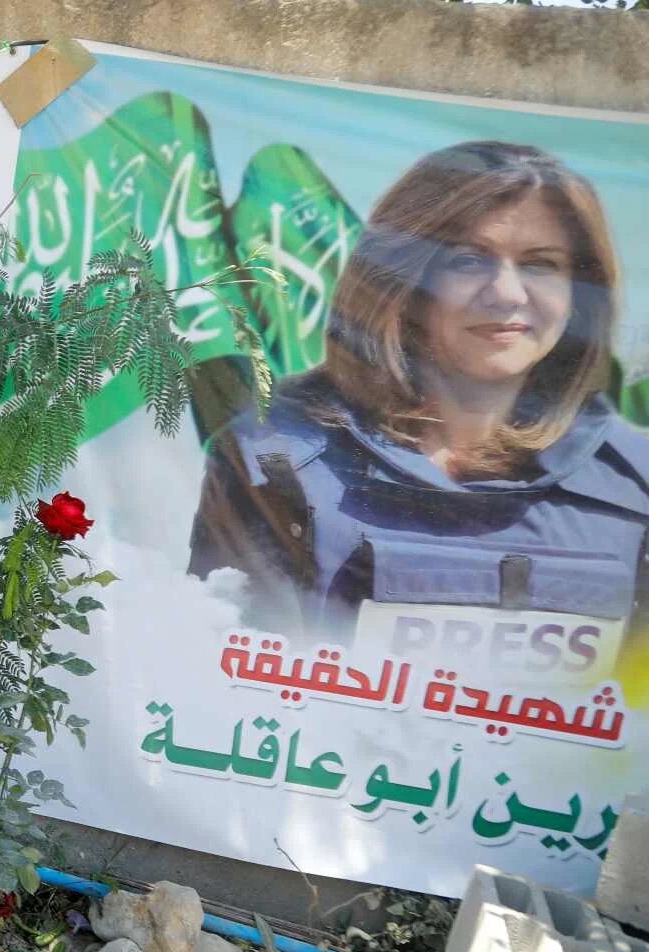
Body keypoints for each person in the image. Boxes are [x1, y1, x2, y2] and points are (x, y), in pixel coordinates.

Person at [189, 141, 649, 647]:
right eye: (468, 261)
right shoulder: (273, 464)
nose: (507, 293)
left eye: (540, 265)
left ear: (579, 293)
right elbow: (224, 676)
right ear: (401, 282)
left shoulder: (637, 486)